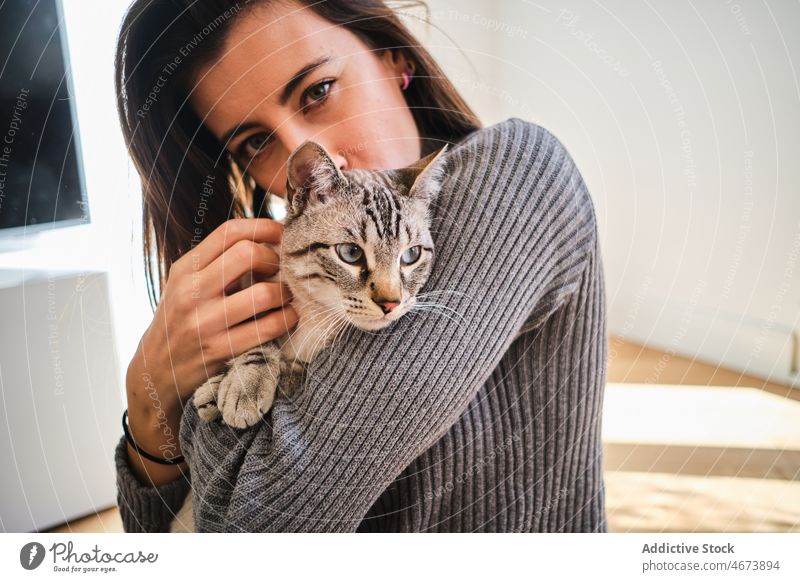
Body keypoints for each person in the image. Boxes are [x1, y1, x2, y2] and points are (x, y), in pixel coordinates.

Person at [113, 0, 608, 532]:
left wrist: (175, 404)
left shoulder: (516, 173)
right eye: (257, 142)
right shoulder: (287, 270)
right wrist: (147, 415)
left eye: (318, 91)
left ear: (394, 57)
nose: (309, 155)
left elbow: (253, 532)